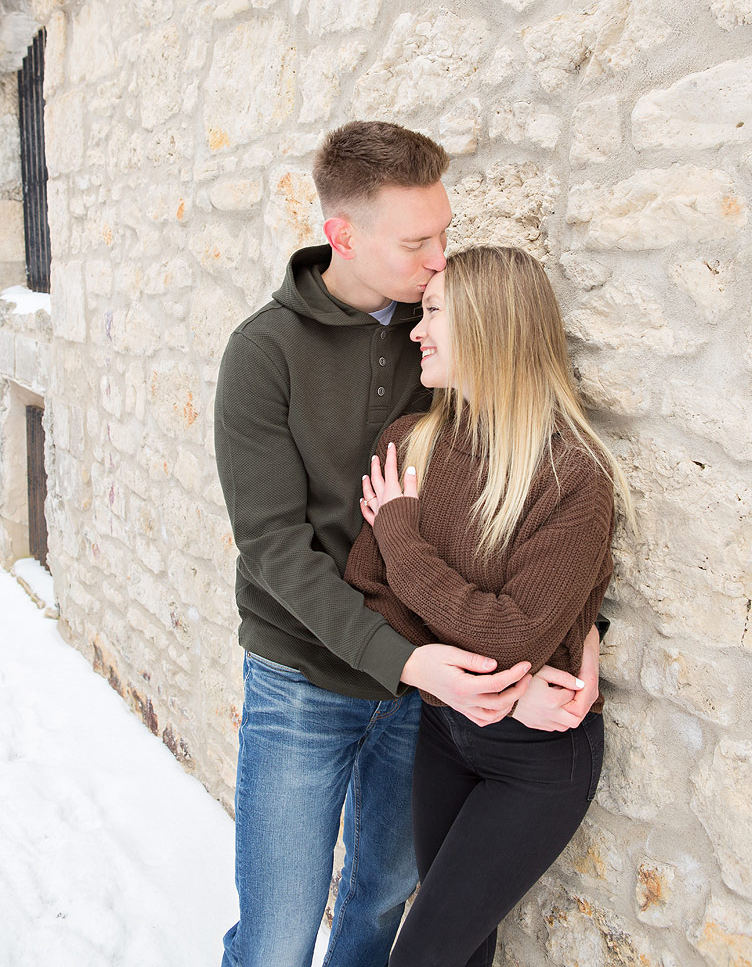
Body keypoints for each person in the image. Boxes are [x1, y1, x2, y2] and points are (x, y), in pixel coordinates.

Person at [214, 122, 604, 967]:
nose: (438, 264)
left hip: (424, 702)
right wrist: (406, 659)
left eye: (444, 235)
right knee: (278, 935)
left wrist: (571, 641)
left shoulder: (446, 332)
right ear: (341, 234)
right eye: (417, 243)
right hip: (305, 680)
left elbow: (523, 523)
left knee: (381, 909)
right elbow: (274, 547)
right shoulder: (263, 354)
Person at [345, 245, 634, 967]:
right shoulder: (408, 444)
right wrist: (516, 666)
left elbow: (512, 628)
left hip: (537, 759)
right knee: (463, 953)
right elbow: (373, 595)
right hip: (445, 733)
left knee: (421, 956)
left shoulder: (572, 474)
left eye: (435, 311)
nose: (416, 328)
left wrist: (402, 536)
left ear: (489, 326)